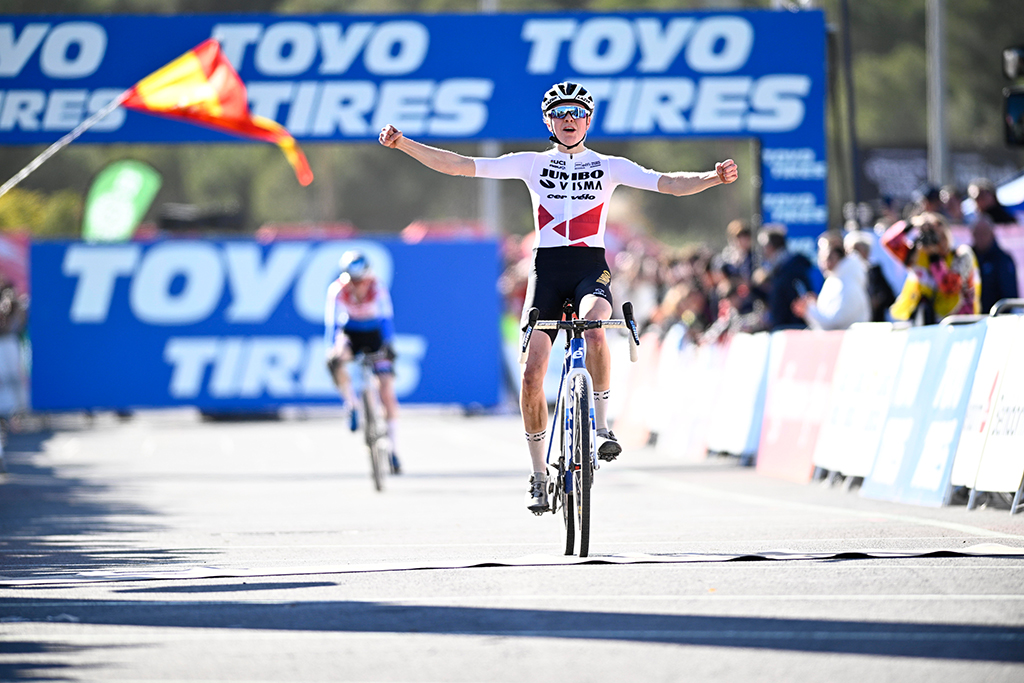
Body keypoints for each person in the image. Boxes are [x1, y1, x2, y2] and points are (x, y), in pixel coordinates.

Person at [379, 81, 738, 512]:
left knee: (596, 328)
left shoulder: (609, 166)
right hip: (545, 270)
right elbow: (459, 165)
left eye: (577, 113)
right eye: (561, 114)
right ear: (549, 121)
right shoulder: (531, 163)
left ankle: (602, 427)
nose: (569, 120)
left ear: (588, 120)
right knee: (532, 375)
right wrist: (404, 145)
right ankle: (536, 475)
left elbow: (669, 183)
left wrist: (711, 178)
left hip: (589, 267)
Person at [324, 251, 402, 474]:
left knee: (386, 388)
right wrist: (331, 350)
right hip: (351, 333)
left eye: (361, 281)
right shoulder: (337, 290)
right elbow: (332, 324)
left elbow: (386, 318)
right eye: (353, 281)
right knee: (336, 359)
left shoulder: (378, 287)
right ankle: (351, 404)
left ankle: (393, 450)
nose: (357, 287)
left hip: (373, 333)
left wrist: (388, 345)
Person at [885, 213, 980, 324]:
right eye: (933, 235)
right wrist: (912, 223)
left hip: (960, 322)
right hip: (927, 322)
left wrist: (935, 259)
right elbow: (890, 242)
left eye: (940, 235)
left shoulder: (962, 255)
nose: (939, 240)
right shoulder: (919, 256)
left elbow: (949, 287)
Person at [791, 232, 871, 330]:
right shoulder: (836, 279)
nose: (822, 262)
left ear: (835, 256)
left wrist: (809, 310)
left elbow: (834, 323)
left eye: (824, 256)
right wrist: (813, 306)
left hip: (848, 343)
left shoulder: (846, 282)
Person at [752, 224, 813, 330]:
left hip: (794, 333)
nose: (762, 251)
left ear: (771, 246)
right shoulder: (776, 271)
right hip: (782, 332)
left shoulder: (793, 270)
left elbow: (803, 301)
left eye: (764, 246)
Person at [971, 217, 1019, 313]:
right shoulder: (968, 257)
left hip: (997, 319)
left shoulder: (1002, 259)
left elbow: (1009, 294)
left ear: (992, 234)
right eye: (977, 234)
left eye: (984, 233)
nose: (980, 237)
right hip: (971, 319)